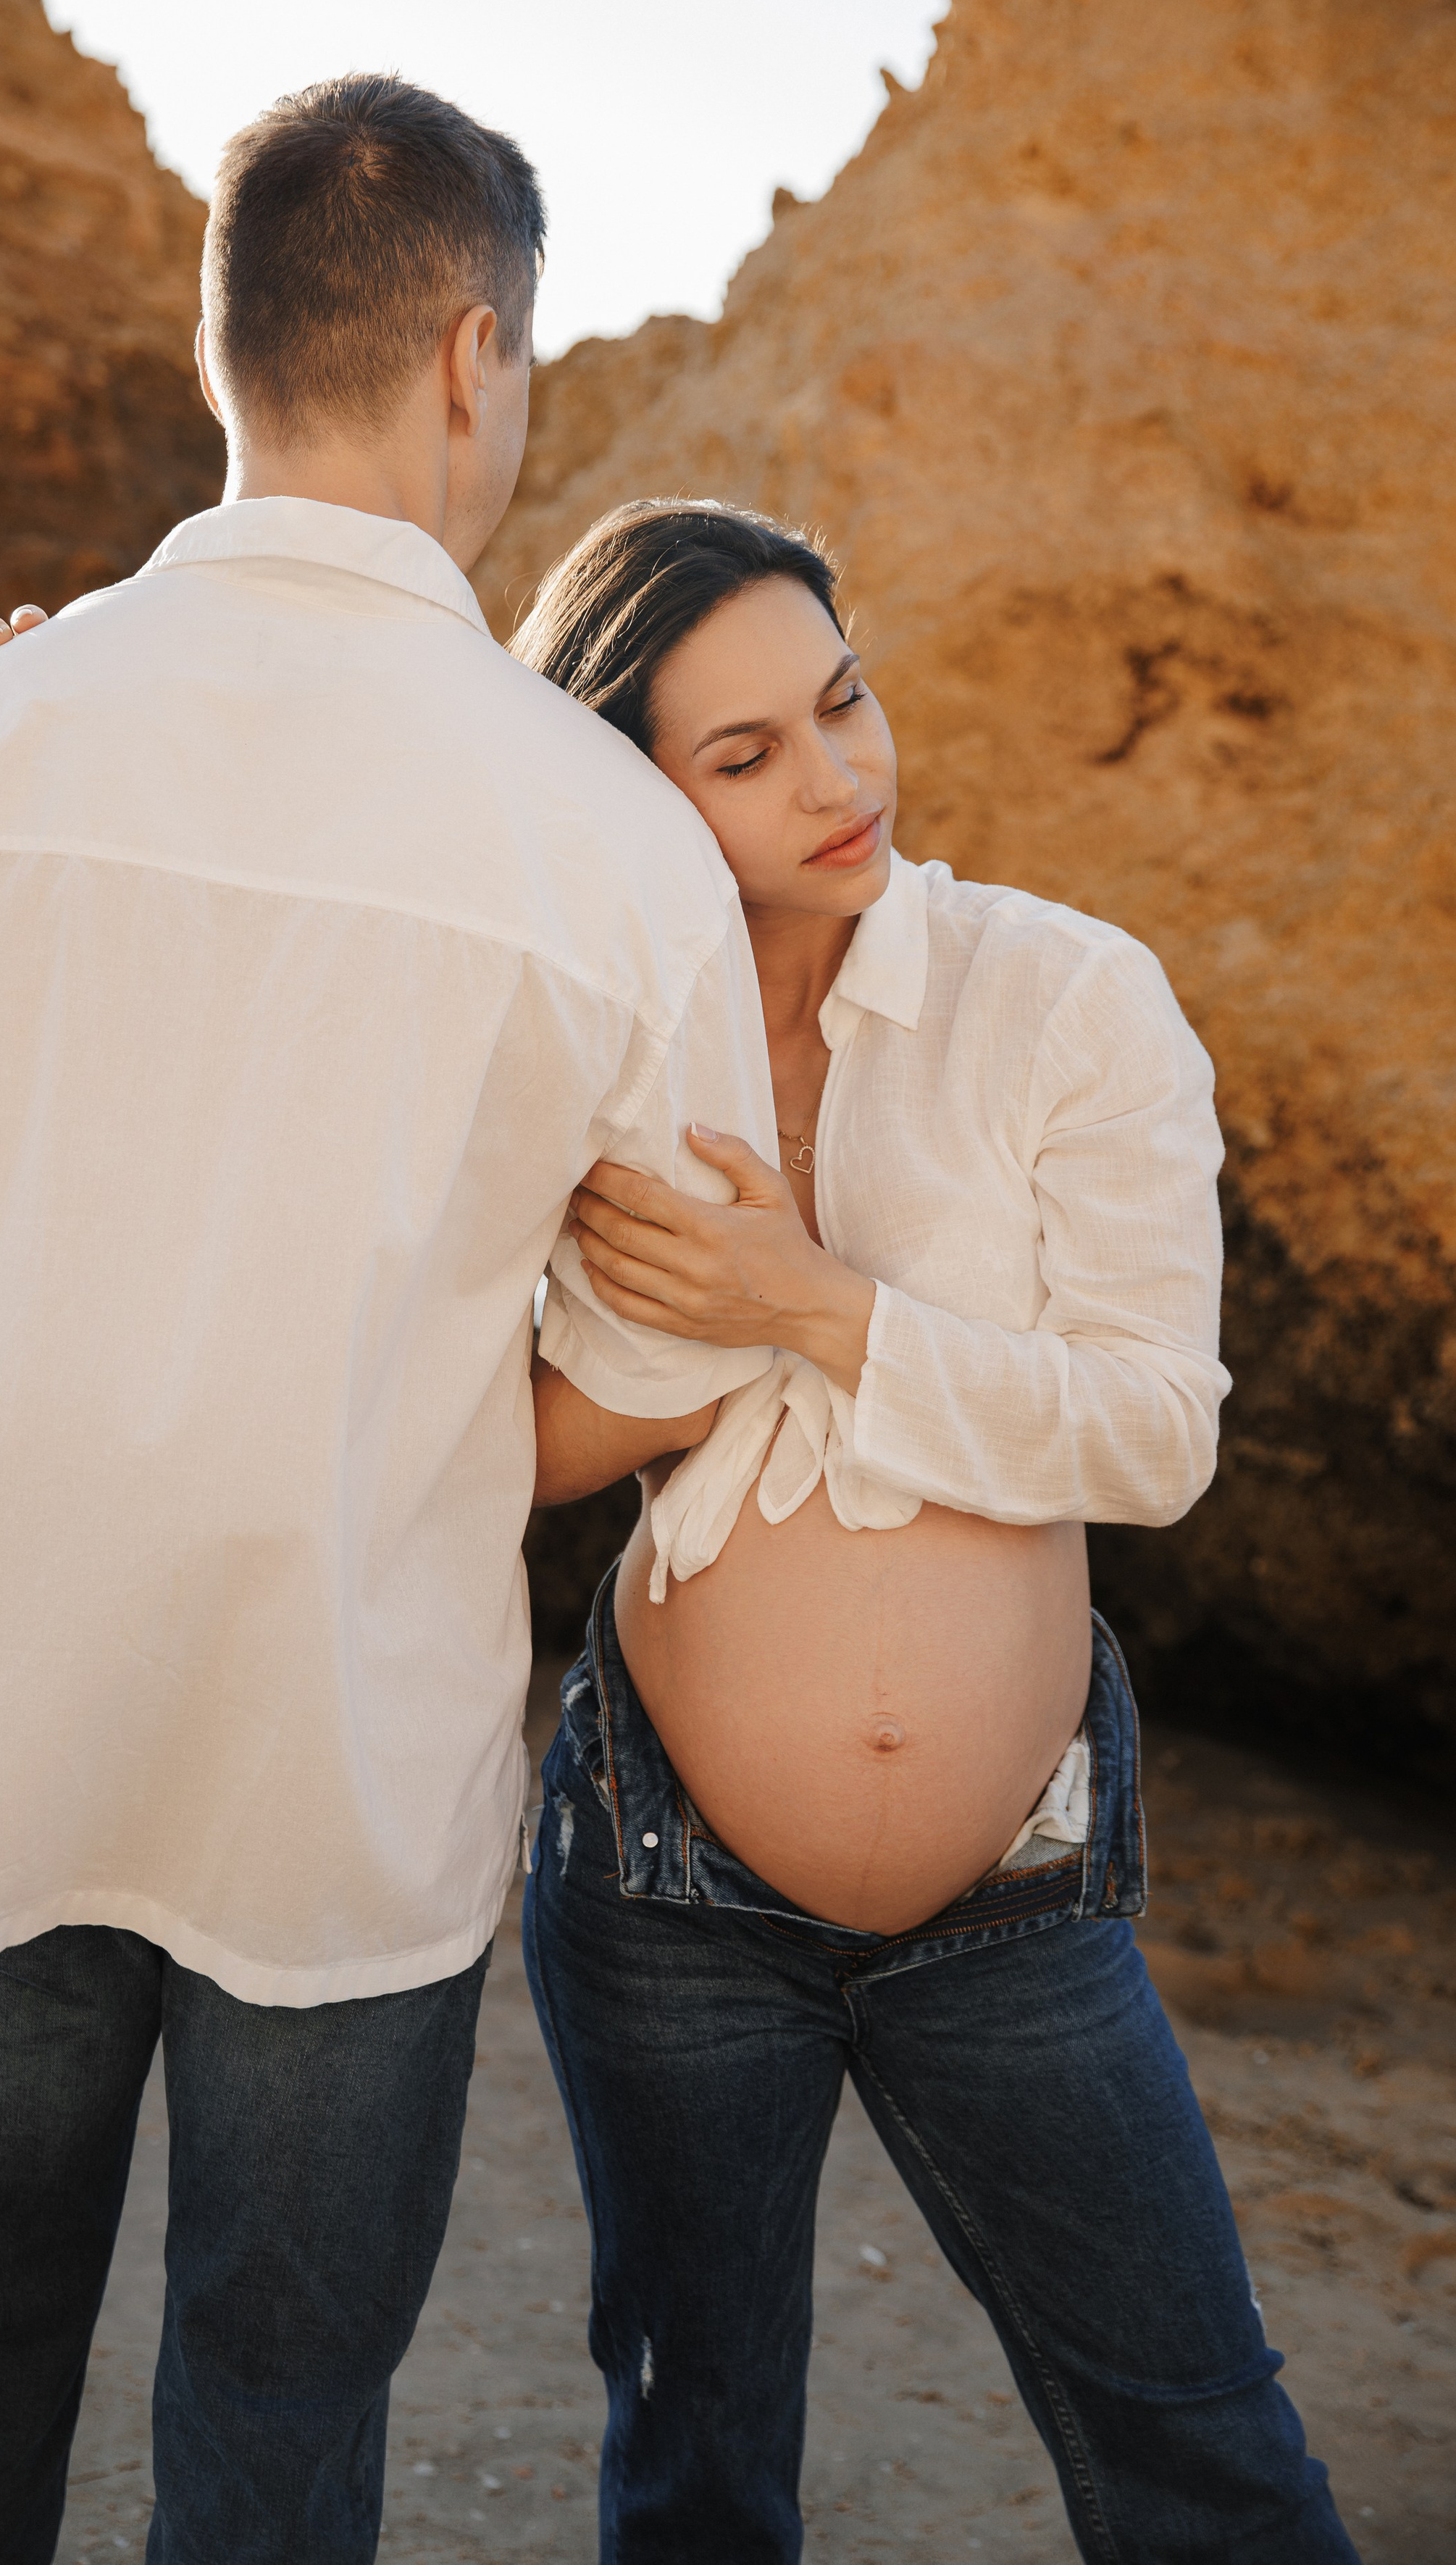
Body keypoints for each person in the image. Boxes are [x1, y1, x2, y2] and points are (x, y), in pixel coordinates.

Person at [0, 83, 782, 2562]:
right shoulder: (608, 839)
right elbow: (679, 1334)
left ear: (221, 350)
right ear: (471, 352)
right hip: (342, 1786)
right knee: (283, 2436)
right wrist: (398, 1460)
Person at [512, 501, 1359, 2563]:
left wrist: (806, 1298)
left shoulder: (1064, 998)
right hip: (662, 1879)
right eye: (748, 755)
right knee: (692, 2458)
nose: (841, 776)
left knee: (1201, 2447)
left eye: (843, 695)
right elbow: (515, 1451)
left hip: (1017, 1895)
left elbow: (1156, 1432)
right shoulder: (581, 1042)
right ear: (630, 797)